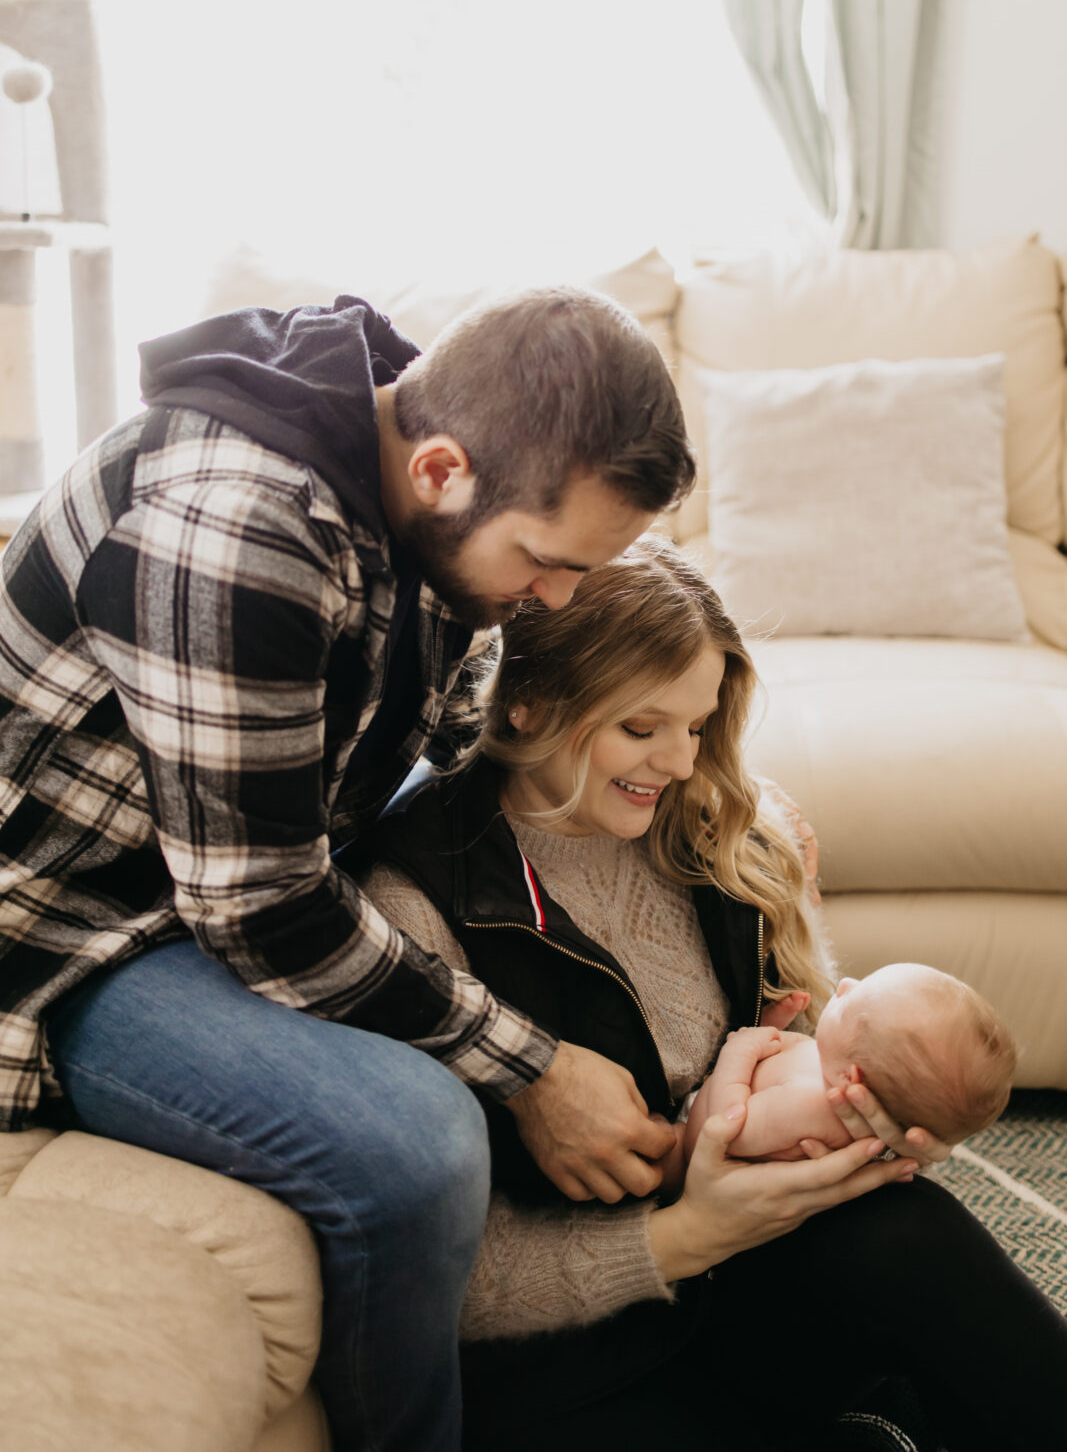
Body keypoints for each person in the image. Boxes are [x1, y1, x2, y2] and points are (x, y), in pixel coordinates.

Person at [0, 285, 706, 1452]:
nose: (560, 597)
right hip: (75, 930)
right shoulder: (233, 528)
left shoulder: (421, 496)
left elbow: (438, 758)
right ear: (439, 468)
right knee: (413, 1146)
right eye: (546, 560)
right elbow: (265, 909)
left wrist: (695, 825)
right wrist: (532, 1071)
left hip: (242, 863)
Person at [365, 535, 1067, 1452]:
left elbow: (797, 1048)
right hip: (571, 1359)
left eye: (697, 726)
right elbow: (444, 1288)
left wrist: (864, 1126)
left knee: (910, 1237)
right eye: (641, 728)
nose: (682, 763)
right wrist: (690, 1233)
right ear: (529, 707)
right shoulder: (416, 904)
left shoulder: (714, 828)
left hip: (739, 1284)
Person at [667, 963, 1016, 1181]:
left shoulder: (810, 1106)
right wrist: (772, 1031)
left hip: (687, 1148)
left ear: (853, 1079)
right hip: (708, 1103)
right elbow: (780, 1071)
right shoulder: (832, 1072)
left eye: (852, 1004)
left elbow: (714, 1137)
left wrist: (737, 1051)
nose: (846, 983)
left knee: (657, 1149)